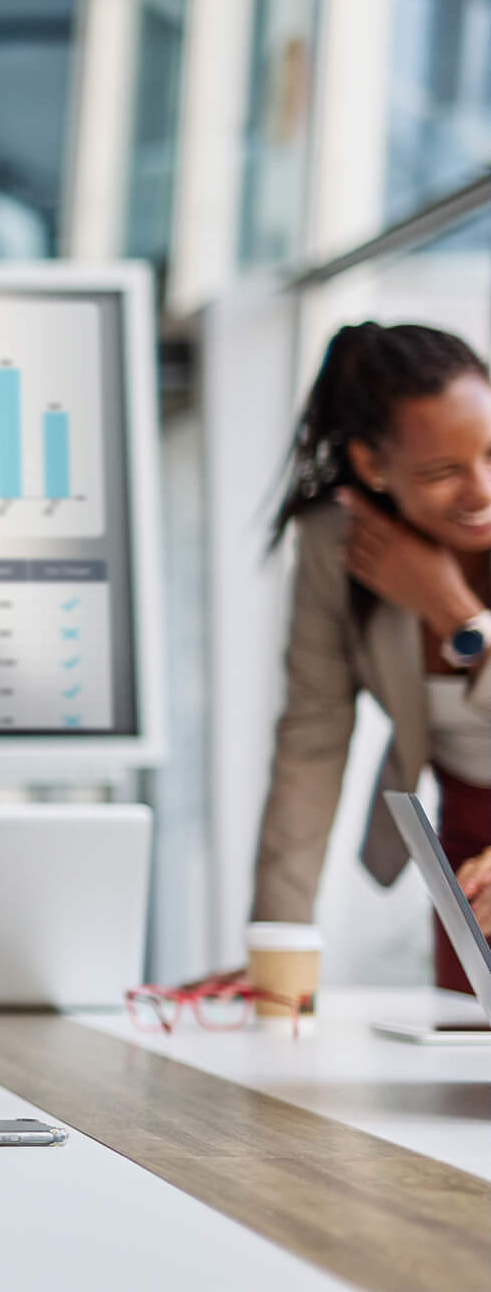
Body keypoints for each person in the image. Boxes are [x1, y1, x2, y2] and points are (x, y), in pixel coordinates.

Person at [253, 322, 491, 993]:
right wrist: (277, 947)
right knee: (468, 1060)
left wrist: (452, 610)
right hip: (468, 849)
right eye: (443, 471)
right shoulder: (337, 547)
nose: (481, 489)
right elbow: (312, 738)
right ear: (371, 466)